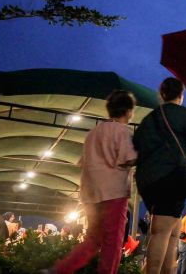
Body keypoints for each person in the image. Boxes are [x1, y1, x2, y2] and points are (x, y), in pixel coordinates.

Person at [51, 91, 138, 274]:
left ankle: (60, 270)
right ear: (129, 111)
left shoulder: (93, 133)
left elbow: (83, 162)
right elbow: (128, 158)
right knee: (112, 242)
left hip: (90, 194)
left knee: (93, 238)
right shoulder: (123, 132)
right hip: (114, 193)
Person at [134, 78, 186, 274]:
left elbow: (136, 144)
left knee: (173, 232)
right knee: (161, 231)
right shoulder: (183, 114)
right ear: (181, 96)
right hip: (169, 179)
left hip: (146, 181)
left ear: (162, 94)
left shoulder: (151, 117)